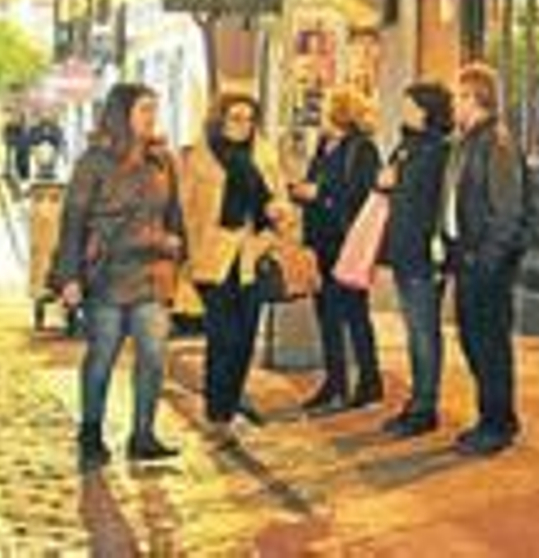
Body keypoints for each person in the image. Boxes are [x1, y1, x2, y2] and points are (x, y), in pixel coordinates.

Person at [53, 84, 185, 469]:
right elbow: (73, 219)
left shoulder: (162, 160)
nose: (151, 117)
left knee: (154, 354)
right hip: (108, 274)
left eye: (154, 110)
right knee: (102, 355)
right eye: (144, 109)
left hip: (152, 272)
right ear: (121, 113)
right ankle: (91, 431)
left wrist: (177, 247)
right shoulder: (94, 161)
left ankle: (143, 434)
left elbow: (173, 213)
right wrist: (70, 276)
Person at [181, 92, 295, 434]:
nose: (243, 126)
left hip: (253, 253)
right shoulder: (202, 157)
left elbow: (280, 198)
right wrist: (189, 253)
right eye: (235, 118)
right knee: (223, 336)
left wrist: (279, 216)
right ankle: (217, 411)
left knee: (245, 337)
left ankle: (228, 407)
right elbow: (188, 209)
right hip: (213, 257)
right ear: (220, 119)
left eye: (248, 119)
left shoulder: (264, 153)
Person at [442, 62, 528, 456]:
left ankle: (498, 423)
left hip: (485, 263)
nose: (452, 104)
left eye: (457, 96)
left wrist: (487, 259)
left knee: (489, 342)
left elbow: (508, 210)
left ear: (474, 97)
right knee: (473, 338)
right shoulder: (468, 140)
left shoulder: (496, 142)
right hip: (468, 257)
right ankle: (491, 417)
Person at [293, 88, 384, 412]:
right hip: (320, 241)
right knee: (326, 315)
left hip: (347, 243)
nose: (320, 115)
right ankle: (335, 382)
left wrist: (319, 195)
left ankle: (370, 382)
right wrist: (302, 192)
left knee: (354, 314)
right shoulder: (323, 145)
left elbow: (363, 196)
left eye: (327, 109)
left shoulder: (362, 149)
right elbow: (314, 183)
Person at [378, 81, 455, 438]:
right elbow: (387, 183)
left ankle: (425, 405)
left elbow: (438, 204)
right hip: (404, 251)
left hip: (425, 254)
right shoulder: (407, 144)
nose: (403, 109)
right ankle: (417, 400)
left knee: (424, 332)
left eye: (409, 104)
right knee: (413, 330)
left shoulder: (440, 150)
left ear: (426, 109)